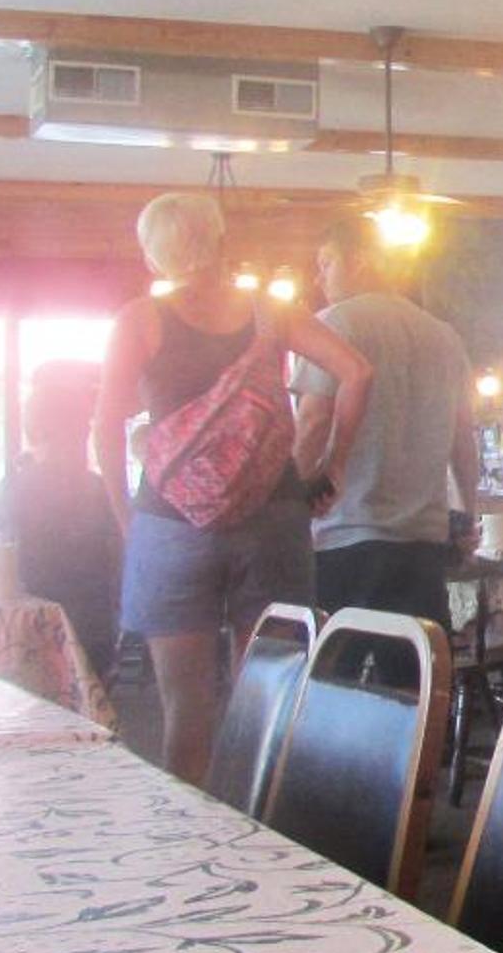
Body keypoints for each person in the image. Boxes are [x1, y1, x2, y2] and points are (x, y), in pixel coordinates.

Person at [97, 192, 374, 787]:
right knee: (267, 700)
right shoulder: (272, 312)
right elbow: (357, 372)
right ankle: (259, 822)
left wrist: (129, 523)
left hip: (171, 524)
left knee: (185, 711)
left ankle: (191, 825)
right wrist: (333, 464)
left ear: (152, 256)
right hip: (271, 516)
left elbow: (105, 430)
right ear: (221, 242)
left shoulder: (139, 321)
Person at [293, 213, 477, 630]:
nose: (319, 278)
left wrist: (289, 503)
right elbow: (463, 440)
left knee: (341, 664)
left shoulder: (334, 324)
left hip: (348, 532)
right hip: (423, 539)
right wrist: (467, 513)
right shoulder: (444, 335)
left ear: (358, 260)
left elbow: (313, 419)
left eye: (326, 263)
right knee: (416, 664)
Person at [0, 359, 122, 681]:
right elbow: (117, 556)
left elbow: (5, 554)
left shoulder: (17, 486)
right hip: (86, 620)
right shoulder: (97, 488)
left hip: (41, 621)